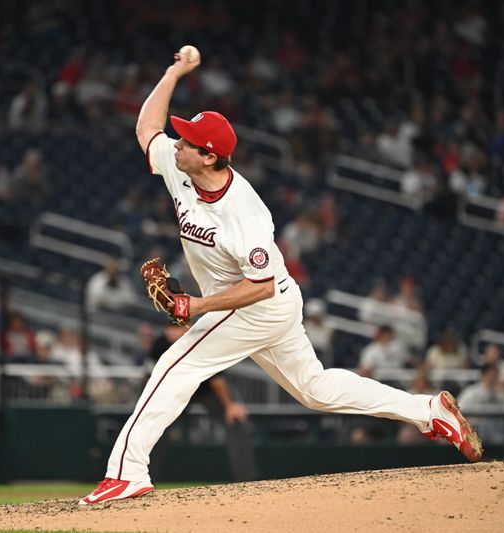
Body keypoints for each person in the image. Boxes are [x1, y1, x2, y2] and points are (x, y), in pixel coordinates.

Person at [79, 48, 483, 505]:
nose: (177, 142)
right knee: (315, 389)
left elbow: (262, 285)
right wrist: (174, 72)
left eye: (189, 141)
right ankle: (429, 411)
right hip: (268, 302)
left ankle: (127, 472)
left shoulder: (244, 213)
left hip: (260, 304)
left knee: (177, 365)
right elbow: (146, 128)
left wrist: (195, 306)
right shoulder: (180, 165)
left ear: (211, 158)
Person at [147, 323, 258, 482]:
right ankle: (143, 480)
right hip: (176, 392)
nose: (173, 332)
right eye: (170, 327)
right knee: (153, 427)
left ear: (188, 327)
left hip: (206, 390)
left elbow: (217, 380)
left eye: (177, 327)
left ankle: (247, 481)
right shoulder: (160, 345)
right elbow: (151, 379)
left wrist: (229, 405)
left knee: (236, 420)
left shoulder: (199, 342)